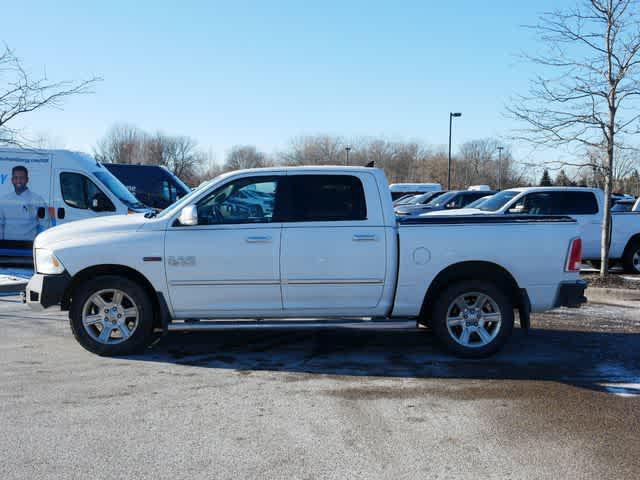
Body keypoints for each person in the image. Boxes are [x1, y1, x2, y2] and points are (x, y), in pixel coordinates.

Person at [0, 165, 49, 241]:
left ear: (27, 180)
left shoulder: (37, 199)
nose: (18, 181)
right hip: (7, 246)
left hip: (29, 246)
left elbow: (45, 225)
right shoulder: (4, 200)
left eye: (21, 178)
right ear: (12, 180)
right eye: (16, 178)